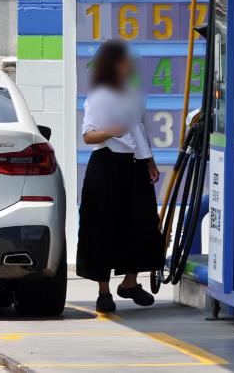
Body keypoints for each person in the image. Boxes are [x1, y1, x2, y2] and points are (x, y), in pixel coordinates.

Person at [77, 39, 163, 313]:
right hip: (106, 165)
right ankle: (103, 291)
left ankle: (130, 282)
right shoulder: (99, 96)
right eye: (126, 62)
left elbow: (140, 129)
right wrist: (110, 132)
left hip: (135, 165)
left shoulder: (134, 94)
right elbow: (89, 136)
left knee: (143, 222)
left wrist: (149, 160)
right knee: (102, 226)